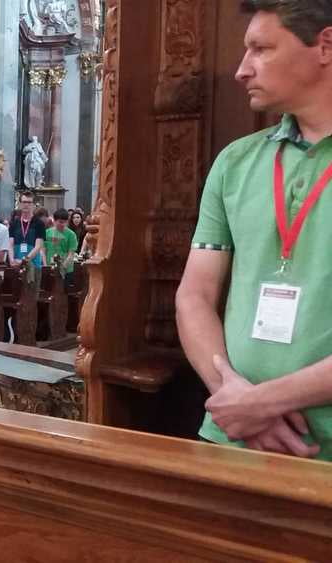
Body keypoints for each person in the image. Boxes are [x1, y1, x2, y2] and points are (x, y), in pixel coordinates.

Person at [176, 1, 332, 461]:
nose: (242, 70)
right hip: (232, 436)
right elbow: (194, 295)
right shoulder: (236, 161)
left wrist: (262, 403)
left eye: (261, 49)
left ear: (325, 46)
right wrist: (234, 400)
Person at [8, 192, 47, 268]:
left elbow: (38, 246)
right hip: (16, 264)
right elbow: (10, 245)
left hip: (34, 265)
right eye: (24, 202)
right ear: (20, 204)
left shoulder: (39, 223)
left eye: (29, 202)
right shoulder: (14, 223)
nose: (26, 205)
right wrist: (11, 260)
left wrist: (24, 261)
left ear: (34, 205)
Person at [45, 209, 79, 283]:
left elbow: (71, 253)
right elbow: (44, 250)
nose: (63, 224)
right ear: (54, 221)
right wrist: (45, 265)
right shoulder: (47, 233)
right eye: (60, 222)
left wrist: (64, 265)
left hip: (66, 269)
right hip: (49, 266)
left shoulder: (71, 234)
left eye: (65, 222)